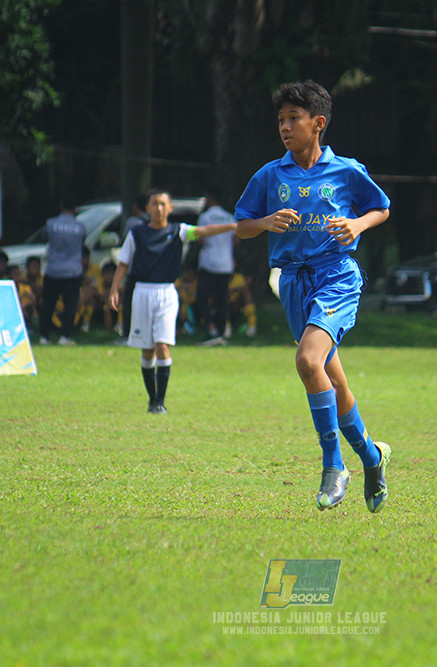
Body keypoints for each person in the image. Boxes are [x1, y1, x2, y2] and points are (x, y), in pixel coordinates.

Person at [234, 80, 392, 513]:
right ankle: (372, 459)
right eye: (280, 120)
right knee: (333, 382)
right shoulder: (270, 175)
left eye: (293, 118)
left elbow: (381, 208)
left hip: (336, 276)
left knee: (307, 361)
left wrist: (357, 224)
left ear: (317, 123)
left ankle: (334, 465)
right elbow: (242, 225)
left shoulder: (346, 170)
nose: (284, 127)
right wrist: (265, 222)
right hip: (293, 283)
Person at [108, 187, 237, 414]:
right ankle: (152, 400)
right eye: (154, 204)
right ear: (147, 208)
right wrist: (114, 289)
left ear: (170, 208)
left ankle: (160, 401)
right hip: (142, 292)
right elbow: (123, 263)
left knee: (162, 346)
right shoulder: (137, 234)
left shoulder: (179, 231)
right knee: (147, 350)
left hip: (166, 293)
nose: (158, 208)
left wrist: (234, 226)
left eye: (162, 204)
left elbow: (205, 230)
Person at [38, 198, 85, 346]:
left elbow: (45, 238)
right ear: (75, 208)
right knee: (70, 304)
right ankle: (65, 336)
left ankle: (44, 336)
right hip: (73, 271)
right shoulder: (80, 227)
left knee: (48, 304)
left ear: (61, 205)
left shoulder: (50, 224)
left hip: (53, 270)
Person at [195, 190, 238, 345]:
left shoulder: (205, 217)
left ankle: (210, 328)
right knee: (222, 300)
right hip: (225, 263)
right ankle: (221, 331)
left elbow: (200, 240)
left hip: (209, 262)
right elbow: (236, 240)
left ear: (210, 199)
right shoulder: (229, 217)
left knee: (202, 297)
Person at [121, 194, 151, 339]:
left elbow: (125, 243)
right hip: (151, 271)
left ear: (136, 207)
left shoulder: (133, 223)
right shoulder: (153, 222)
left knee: (129, 304)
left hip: (135, 269)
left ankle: (127, 334)